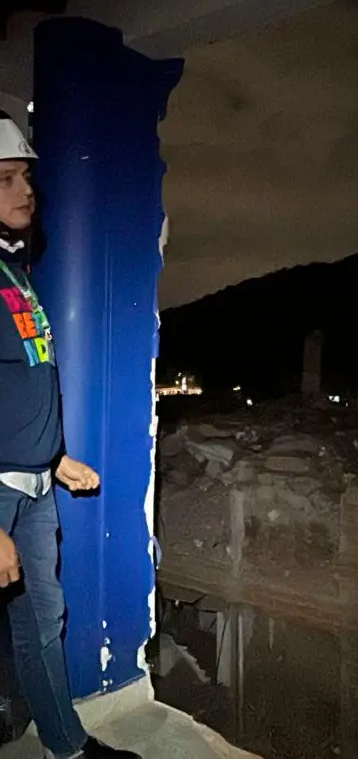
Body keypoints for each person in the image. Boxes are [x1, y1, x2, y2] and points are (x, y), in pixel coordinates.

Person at [0, 110, 139, 759]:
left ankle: (66, 747)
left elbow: (19, 385)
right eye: (6, 179)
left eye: (25, 177)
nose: (25, 190)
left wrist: (54, 459)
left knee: (41, 622)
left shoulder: (15, 273)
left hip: (33, 489)